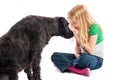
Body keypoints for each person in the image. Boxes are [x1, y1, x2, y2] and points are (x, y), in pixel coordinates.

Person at [51, 4, 104, 76]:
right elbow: (77, 48)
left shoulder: (94, 28)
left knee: (84, 59)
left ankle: (68, 65)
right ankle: (79, 70)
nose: (72, 25)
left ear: (82, 20)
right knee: (55, 56)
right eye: (71, 23)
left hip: (95, 59)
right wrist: (77, 55)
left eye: (74, 22)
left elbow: (90, 51)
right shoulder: (78, 29)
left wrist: (78, 35)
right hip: (80, 56)